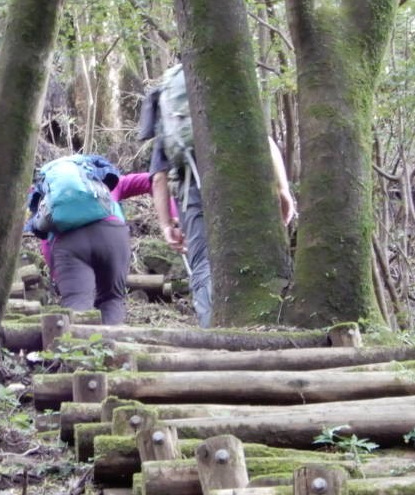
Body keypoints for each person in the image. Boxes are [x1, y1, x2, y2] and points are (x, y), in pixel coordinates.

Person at [143, 63, 295, 327]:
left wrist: (167, 225)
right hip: (244, 184)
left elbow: (158, 178)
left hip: (192, 189)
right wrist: (283, 190)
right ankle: (269, 324)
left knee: (203, 263)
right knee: (256, 257)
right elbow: (265, 140)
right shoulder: (230, 98)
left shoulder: (171, 116)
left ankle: (213, 329)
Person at [28, 155, 150, 326]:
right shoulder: (98, 182)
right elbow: (150, 180)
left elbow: (44, 239)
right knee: (111, 298)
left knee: (77, 300)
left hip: (68, 243)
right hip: (112, 235)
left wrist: (57, 275)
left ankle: (78, 348)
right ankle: (114, 347)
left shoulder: (45, 194)